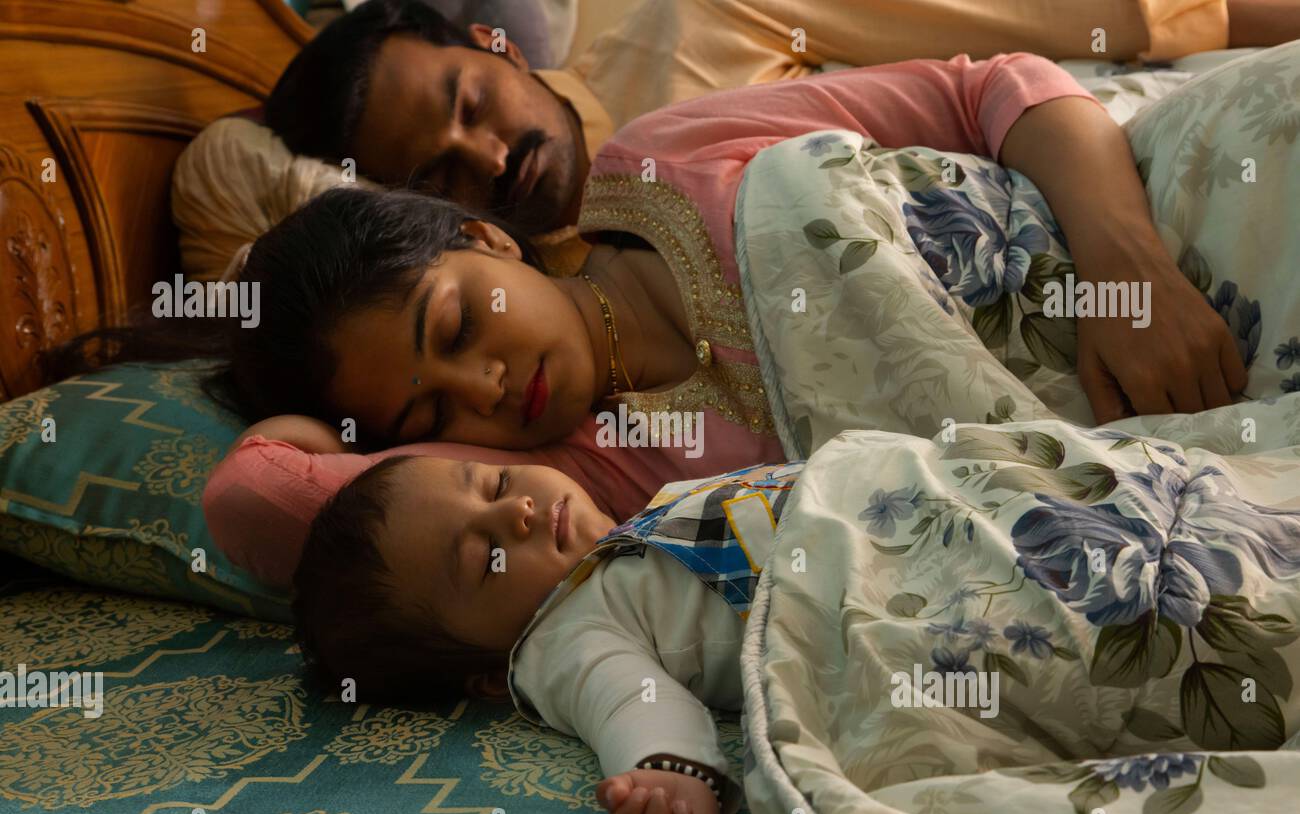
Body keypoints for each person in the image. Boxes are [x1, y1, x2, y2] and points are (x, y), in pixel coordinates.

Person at [188, 51, 1249, 588]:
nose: (485, 391)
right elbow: (262, 505)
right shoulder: (592, 484)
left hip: (1166, 221)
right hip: (1165, 455)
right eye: (428, 411)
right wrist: (315, 427)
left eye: (457, 328)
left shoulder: (663, 157)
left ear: (484, 241)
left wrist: (1133, 278)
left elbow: (993, 89)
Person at [173, 0, 1299, 279]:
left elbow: (1056, 31)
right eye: (435, 173)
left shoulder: (689, 22)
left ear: (493, 44)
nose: (485, 156)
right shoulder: (508, 318)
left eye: (469, 104)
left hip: (1114, 175)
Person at [291, 446, 805, 814]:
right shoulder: (562, 633)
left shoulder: (642, 520)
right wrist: (669, 773)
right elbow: (627, 699)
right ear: (495, 675)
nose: (515, 510)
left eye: (496, 483)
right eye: (486, 561)